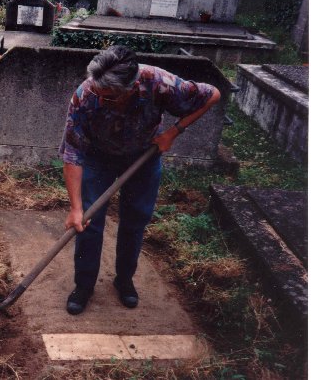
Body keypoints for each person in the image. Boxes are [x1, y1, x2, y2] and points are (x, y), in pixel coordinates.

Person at [60, 45, 220, 315]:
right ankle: (84, 285)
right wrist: (75, 208)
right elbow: (72, 152)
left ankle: (124, 281)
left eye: (108, 97)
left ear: (130, 88)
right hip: (98, 159)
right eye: (97, 92)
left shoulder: (159, 83)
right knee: (87, 223)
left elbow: (211, 95)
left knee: (135, 220)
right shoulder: (86, 95)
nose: (100, 98)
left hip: (142, 158)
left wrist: (174, 131)